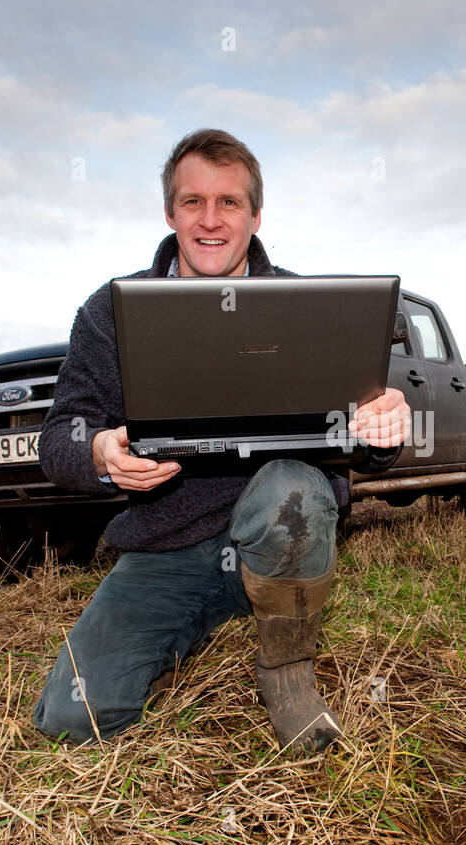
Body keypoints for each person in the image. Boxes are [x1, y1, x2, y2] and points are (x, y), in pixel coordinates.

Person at [32, 128, 410, 753]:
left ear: (255, 215)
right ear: (169, 211)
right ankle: (203, 614)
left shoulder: (308, 306)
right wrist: (100, 453)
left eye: (229, 202)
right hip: (165, 547)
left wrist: (383, 428)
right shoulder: (109, 312)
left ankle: (285, 665)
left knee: (293, 489)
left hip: (281, 531)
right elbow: (59, 437)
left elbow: (366, 439)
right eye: (193, 202)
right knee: (74, 719)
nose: (211, 220)